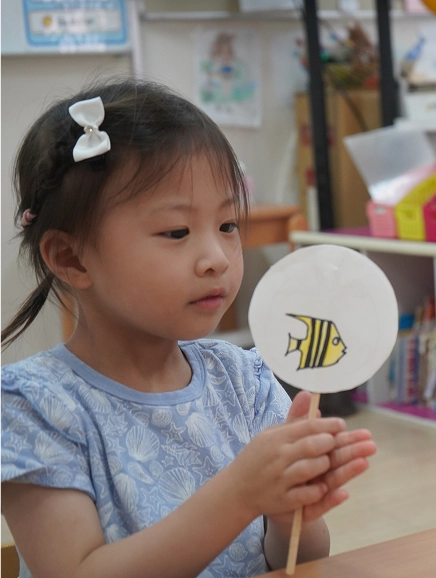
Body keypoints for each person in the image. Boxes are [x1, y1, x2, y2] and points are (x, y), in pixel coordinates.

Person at [1, 78, 376, 578]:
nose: (216, 259)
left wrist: (289, 517)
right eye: (176, 232)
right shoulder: (34, 406)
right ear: (71, 257)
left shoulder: (246, 381)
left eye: (227, 226)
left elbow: (301, 562)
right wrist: (241, 494)